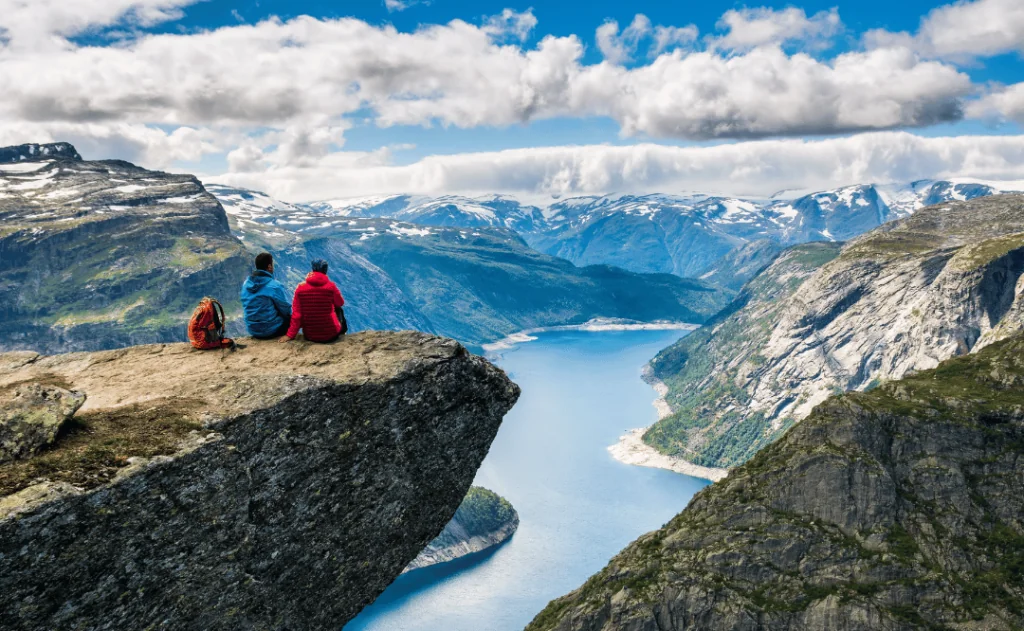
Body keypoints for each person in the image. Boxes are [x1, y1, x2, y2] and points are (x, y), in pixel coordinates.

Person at [281, 259, 347, 343]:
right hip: (331, 335)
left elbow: (297, 315)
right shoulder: (331, 286)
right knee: (339, 309)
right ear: (325, 270)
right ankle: (342, 333)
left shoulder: (300, 288)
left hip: (310, 336)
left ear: (313, 269)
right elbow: (340, 303)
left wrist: (290, 335)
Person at [240, 252, 292, 339]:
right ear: (269, 267)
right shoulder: (274, 285)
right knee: (291, 317)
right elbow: (285, 309)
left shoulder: (246, 284)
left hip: (252, 329)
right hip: (270, 330)